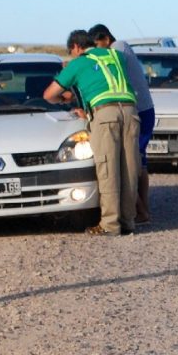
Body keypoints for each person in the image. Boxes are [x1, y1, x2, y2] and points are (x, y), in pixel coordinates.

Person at [43, 29, 140, 236]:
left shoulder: (78, 63)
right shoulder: (116, 56)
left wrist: (64, 99)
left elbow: (49, 94)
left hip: (105, 115)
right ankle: (128, 221)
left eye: (71, 51)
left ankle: (110, 224)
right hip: (131, 111)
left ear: (76, 47)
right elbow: (101, 80)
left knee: (108, 168)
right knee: (129, 167)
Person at [88, 24, 155, 225]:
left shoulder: (118, 49)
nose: (98, 50)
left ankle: (141, 211)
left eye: (97, 45)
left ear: (106, 39)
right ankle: (143, 209)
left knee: (130, 163)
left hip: (138, 110)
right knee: (139, 163)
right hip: (142, 108)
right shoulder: (121, 48)